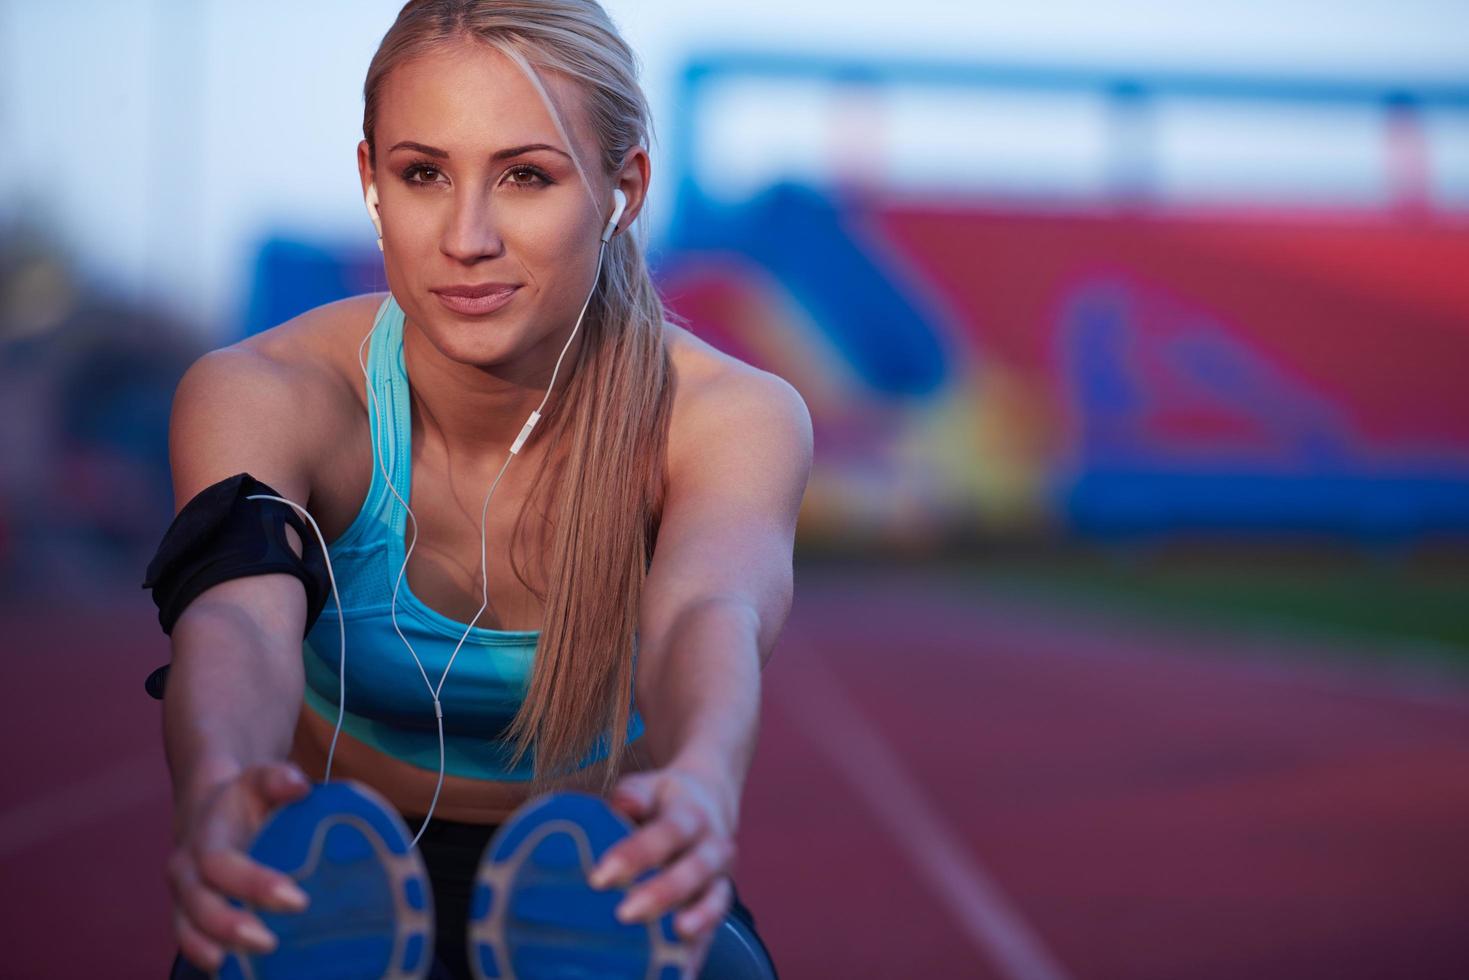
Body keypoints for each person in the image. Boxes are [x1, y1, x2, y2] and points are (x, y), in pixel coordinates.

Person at [153, 1, 811, 977]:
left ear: (621, 189)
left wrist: (703, 779)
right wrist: (216, 779)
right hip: (342, 883)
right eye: (423, 174)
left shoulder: (726, 415)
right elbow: (238, 623)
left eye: (526, 176)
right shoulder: (267, 393)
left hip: (595, 883)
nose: (466, 236)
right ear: (371, 181)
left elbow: (705, 612)